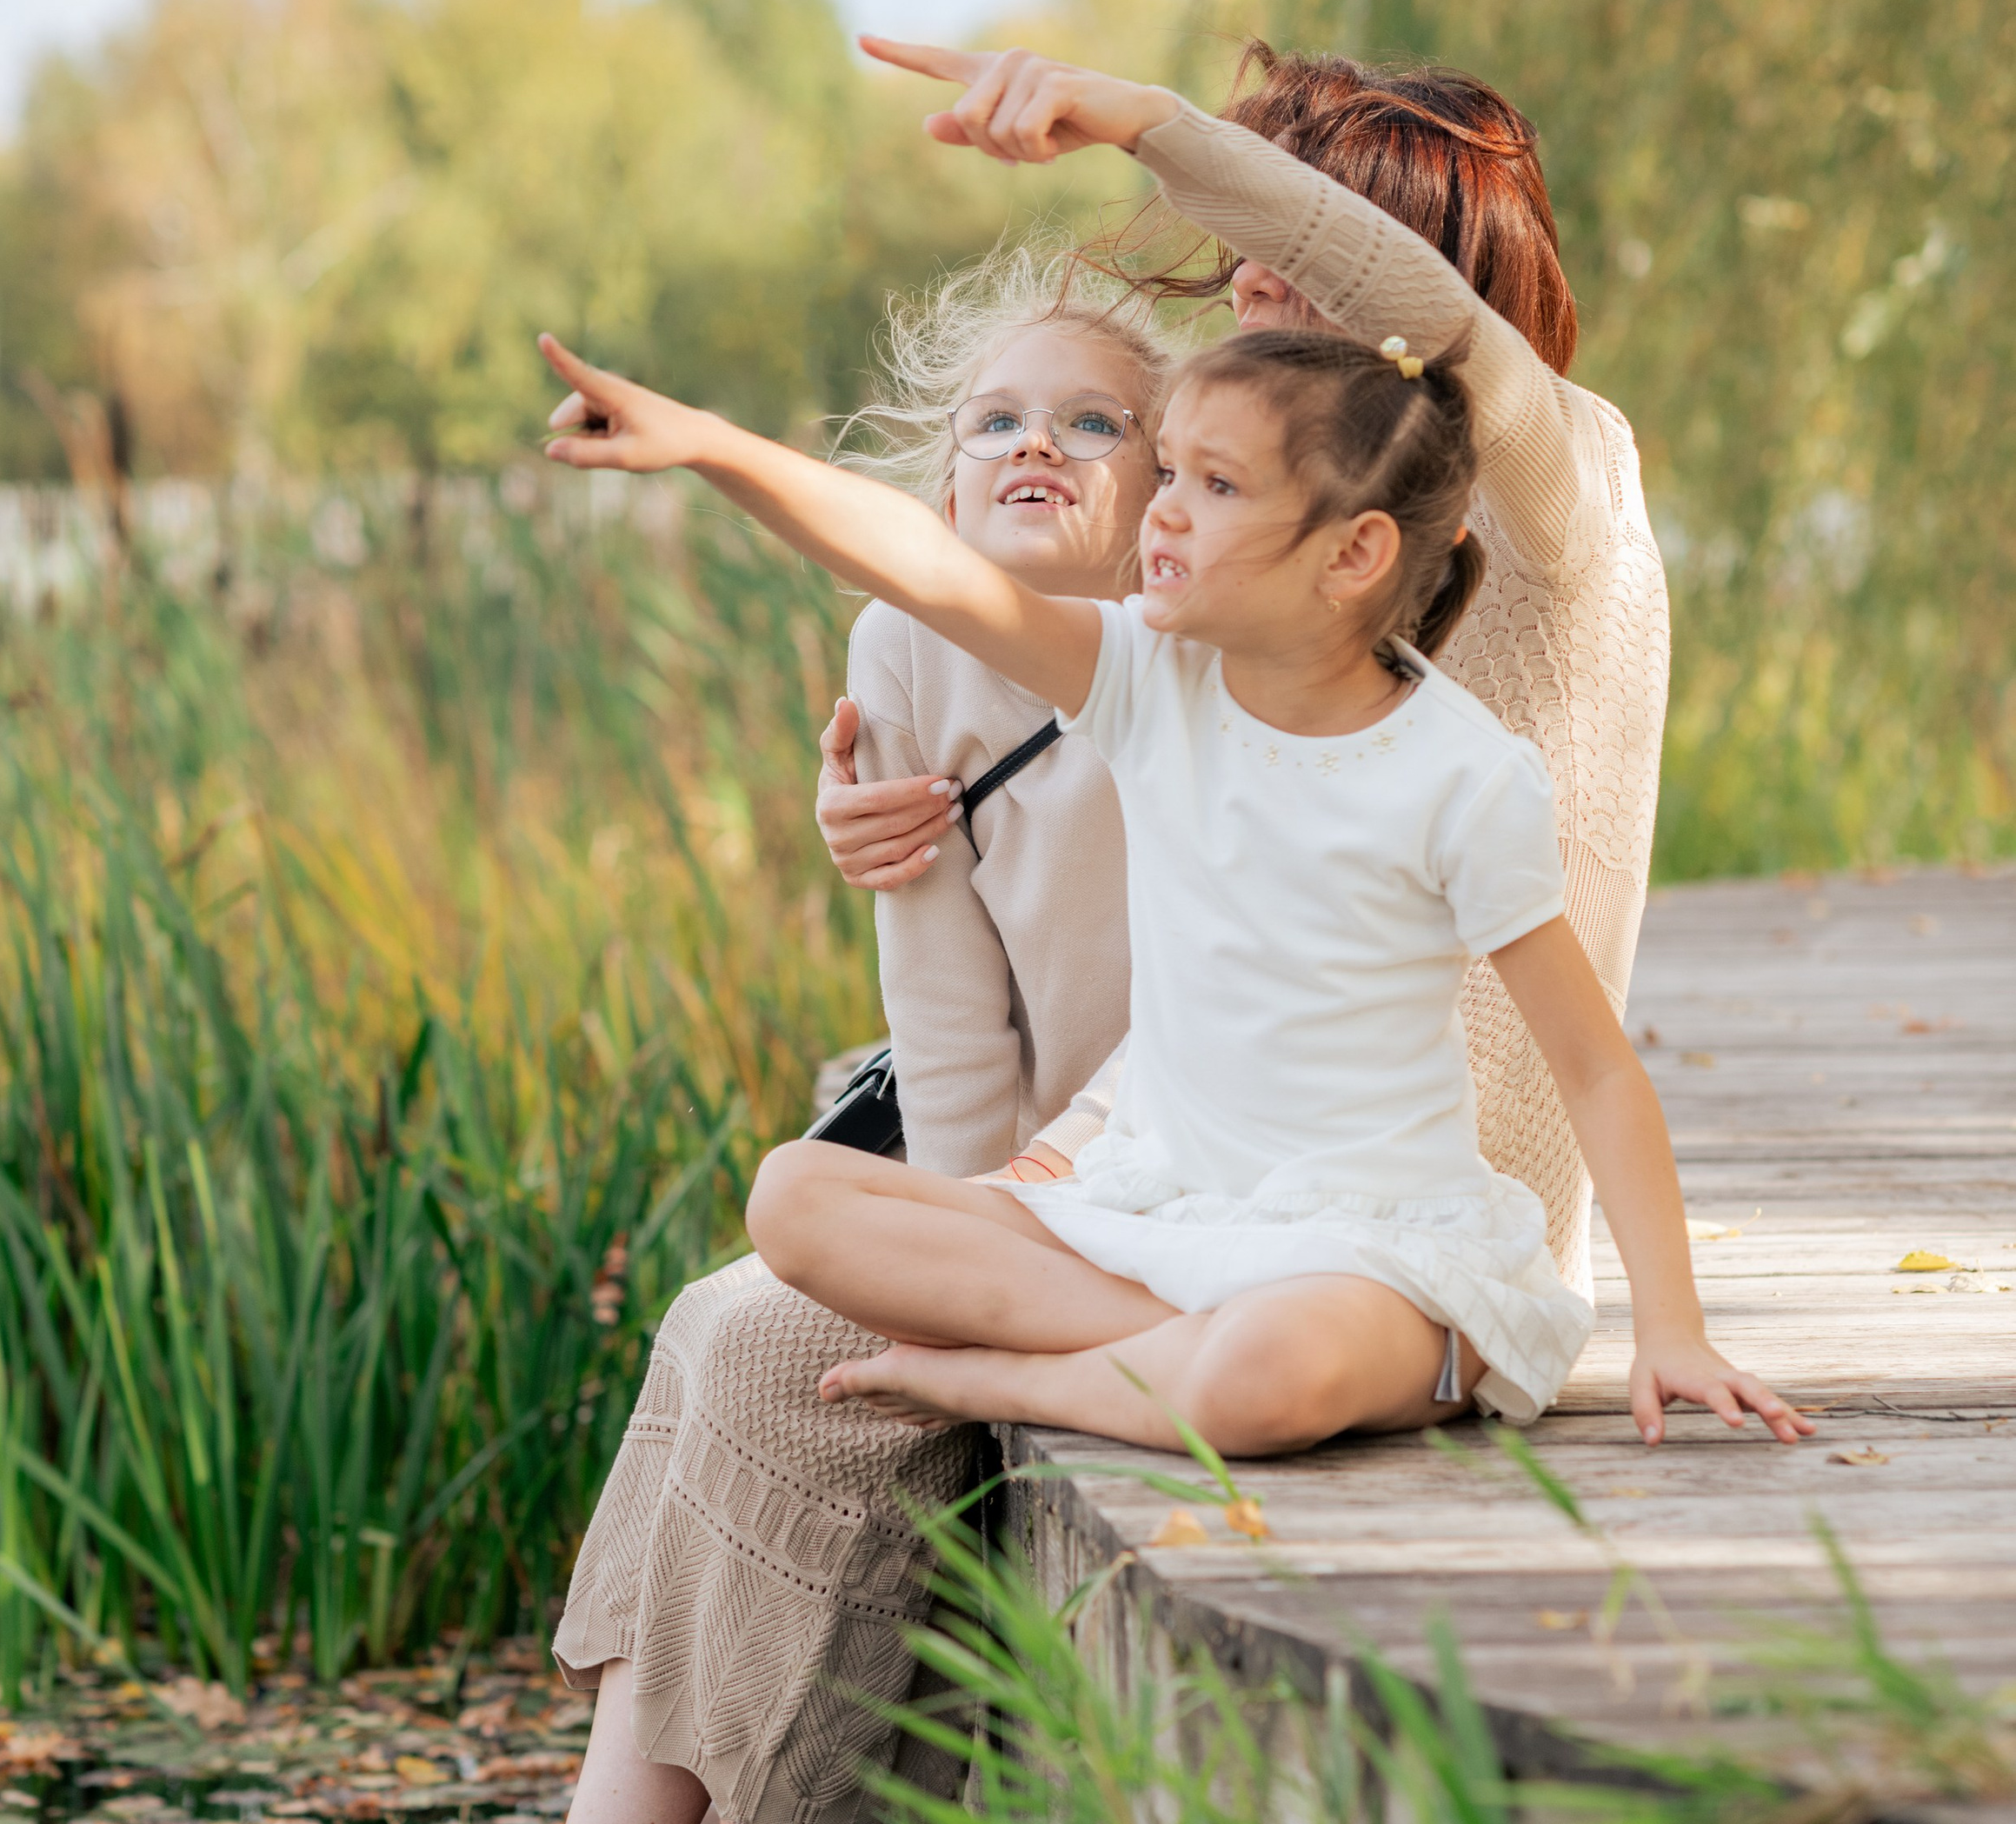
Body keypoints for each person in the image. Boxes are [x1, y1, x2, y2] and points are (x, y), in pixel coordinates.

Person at [279, 251, 1165, 1824]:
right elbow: (946, 1042)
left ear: (1169, 481)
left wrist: (1005, 1255)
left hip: (1187, 1192)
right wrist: (963, 1241)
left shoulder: (1208, 667)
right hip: (1019, 1185)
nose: (1033, 446)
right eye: (992, 419)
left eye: (1090, 419)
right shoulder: (903, 657)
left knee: (778, 1332)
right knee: (731, 1311)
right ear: (939, 482)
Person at [536, 309, 1810, 1465]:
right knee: (796, 1197)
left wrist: (1673, 1329)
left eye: (1212, 485)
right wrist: (708, 445)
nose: (1162, 512)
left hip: (1363, 1252)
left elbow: (1596, 1069)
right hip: (1155, 1214)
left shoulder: (1462, 776)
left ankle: (1012, 1381)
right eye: (1171, 473)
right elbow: (921, 566)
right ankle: (1149, 1358)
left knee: (1270, 1371)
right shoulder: (1149, 676)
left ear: (1353, 553)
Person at [822, 39, 1673, 1310]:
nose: (1247, 271)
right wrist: (910, 807)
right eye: (1242, 232)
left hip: (1414, 1238)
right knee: (762, 1291)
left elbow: (1432, 314)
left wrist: (1150, 124)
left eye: (1301, 234)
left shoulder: (1560, 491)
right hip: (1221, 1181)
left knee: (783, 1351)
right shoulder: (1293, 529)